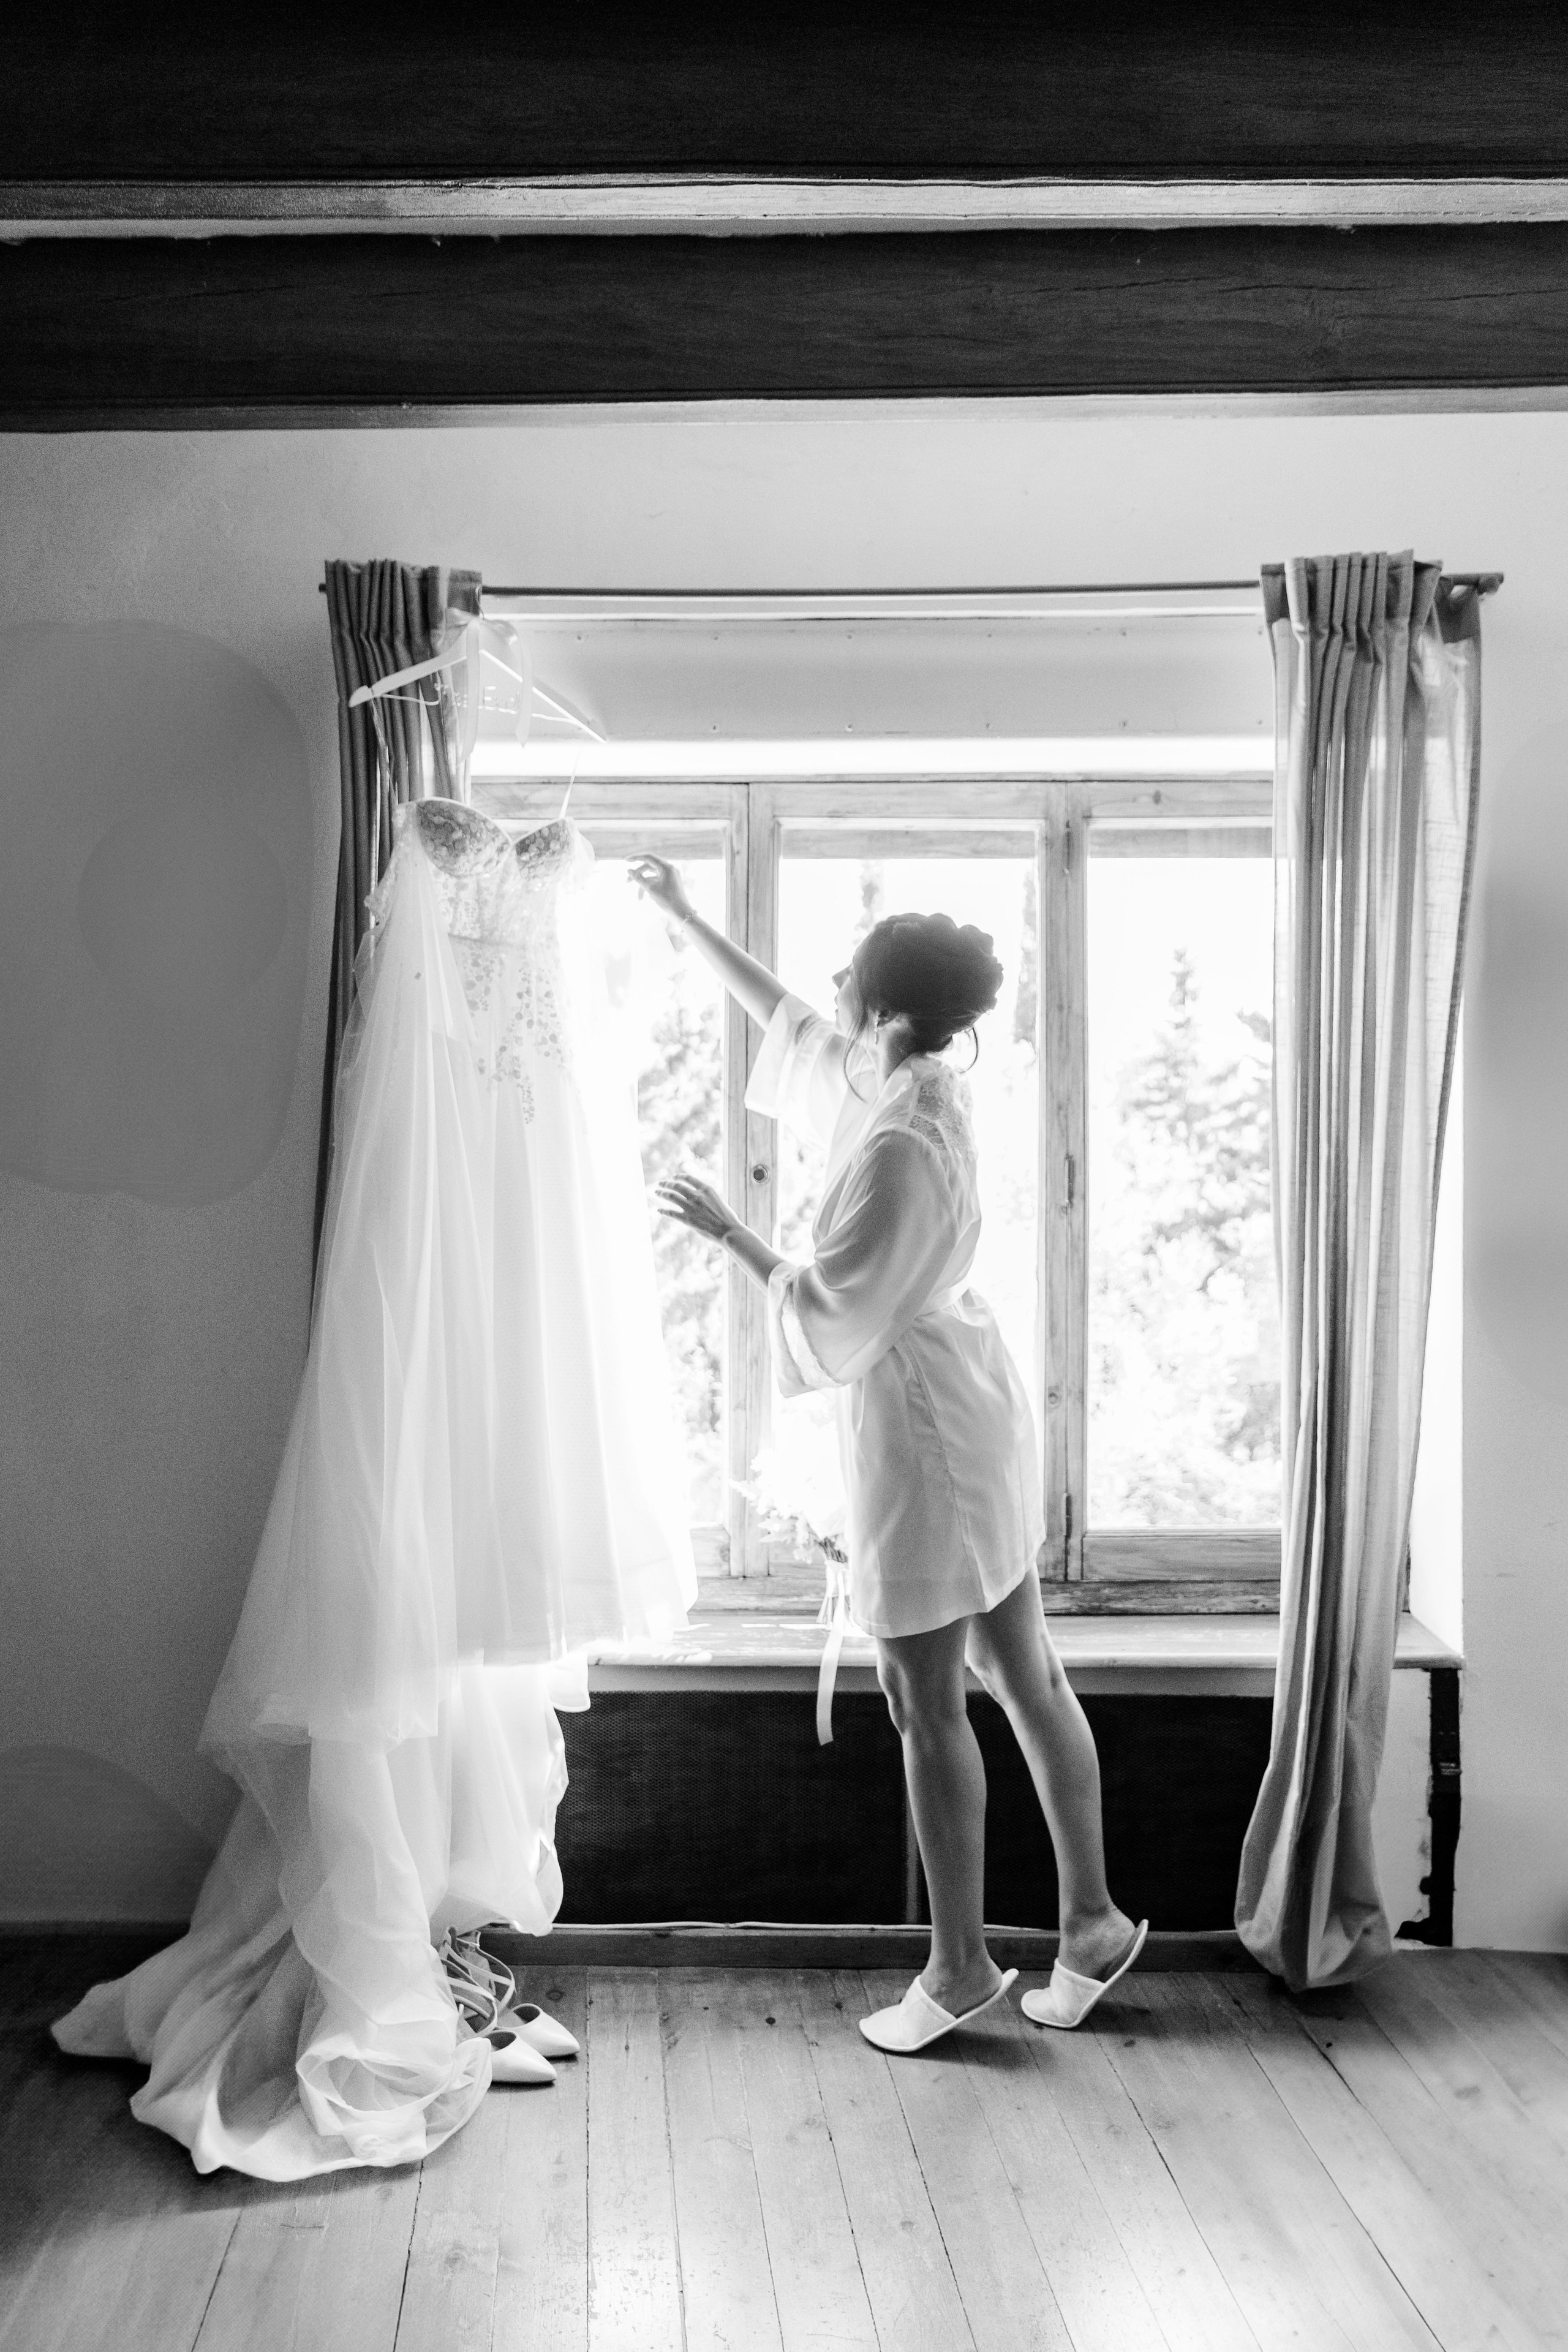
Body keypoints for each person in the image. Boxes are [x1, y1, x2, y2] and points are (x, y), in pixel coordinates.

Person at [630, 853, 1146, 2053]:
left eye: (848, 977)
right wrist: (679, 914)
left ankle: (961, 1968)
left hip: (926, 1433)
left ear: (890, 1009)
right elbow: (786, 1017)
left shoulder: (903, 1138)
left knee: (925, 1704)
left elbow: (838, 1301)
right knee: (1027, 1675)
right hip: (968, 1405)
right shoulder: (903, 1078)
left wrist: (732, 1236)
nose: (828, 987)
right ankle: (1090, 1925)